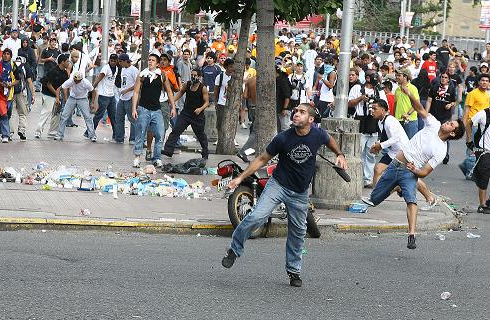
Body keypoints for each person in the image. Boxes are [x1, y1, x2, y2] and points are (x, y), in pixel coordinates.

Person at [221, 103, 348, 287]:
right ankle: (234, 250)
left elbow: (330, 140)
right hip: (278, 185)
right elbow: (262, 159)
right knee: (257, 216)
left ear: (311, 120)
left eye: (302, 112)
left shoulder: (318, 135)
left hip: (300, 192)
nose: (296, 114)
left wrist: (340, 154)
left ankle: (294, 271)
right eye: (295, 111)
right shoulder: (283, 138)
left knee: (298, 232)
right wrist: (240, 178)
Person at [363, 85, 465, 250]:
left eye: (451, 124)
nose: (447, 122)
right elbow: (419, 109)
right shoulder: (433, 124)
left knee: (411, 200)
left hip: (409, 173)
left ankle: (412, 234)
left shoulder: (441, 150)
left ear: (452, 133)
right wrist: (410, 94)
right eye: (449, 121)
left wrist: (414, 171)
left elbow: (424, 172)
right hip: (395, 164)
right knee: (374, 199)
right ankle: (395, 188)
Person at [131, 53, 176, 169]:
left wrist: (173, 107)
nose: (150, 62)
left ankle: (157, 158)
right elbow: (136, 92)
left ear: (157, 63)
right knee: (140, 134)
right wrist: (134, 109)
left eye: (153, 60)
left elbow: (170, 92)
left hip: (157, 109)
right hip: (143, 108)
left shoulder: (162, 75)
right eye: (149, 60)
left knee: (160, 134)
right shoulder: (142, 75)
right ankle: (137, 157)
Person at [161, 68, 209, 159]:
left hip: (197, 115)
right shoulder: (187, 84)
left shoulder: (203, 88)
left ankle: (205, 153)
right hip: (186, 113)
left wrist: (200, 108)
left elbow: (206, 102)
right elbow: (180, 93)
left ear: (199, 77)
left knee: (200, 135)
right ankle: (168, 150)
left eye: (195, 75)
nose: (193, 77)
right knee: (176, 130)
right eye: (192, 75)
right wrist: (172, 101)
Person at [460, 74, 490, 180]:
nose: (484, 82)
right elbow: (466, 110)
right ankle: (470, 173)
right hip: (473, 125)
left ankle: (465, 165)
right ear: (478, 82)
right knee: (472, 149)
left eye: (486, 80)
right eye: (482, 80)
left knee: (482, 150)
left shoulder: (488, 95)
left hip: (484, 127)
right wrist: (463, 126)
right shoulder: (472, 94)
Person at [425, 72, 457, 164]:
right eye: (442, 77)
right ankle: (430, 153)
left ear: (448, 79)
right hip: (434, 114)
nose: (443, 79)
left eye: (445, 77)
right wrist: (426, 114)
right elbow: (429, 100)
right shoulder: (434, 87)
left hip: (445, 116)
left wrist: (450, 104)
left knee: (445, 135)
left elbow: (454, 101)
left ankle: (445, 154)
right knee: (432, 134)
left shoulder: (451, 89)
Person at [55, 72, 95, 141]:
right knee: (64, 116)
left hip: (83, 99)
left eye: (77, 81)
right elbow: (59, 89)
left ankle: (92, 135)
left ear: (81, 79)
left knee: (88, 117)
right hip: (72, 98)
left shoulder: (86, 82)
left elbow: (93, 91)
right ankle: (59, 135)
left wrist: (92, 103)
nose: (75, 82)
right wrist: (58, 99)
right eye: (75, 80)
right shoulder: (71, 81)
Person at [466, 107, 490, 213]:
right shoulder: (484, 113)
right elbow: (468, 123)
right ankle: (482, 205)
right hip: (484, 150)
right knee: (483, 177)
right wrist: (469, 140)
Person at [0, 48, 18, 143]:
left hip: (10, 94)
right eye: (4, 54)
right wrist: (0, 83)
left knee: (8, 114)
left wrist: (11, 84)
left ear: (11, 56)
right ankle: (6, 135)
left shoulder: (14, 65)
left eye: (8, 54)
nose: (6, 55)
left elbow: (18, 80)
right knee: (4, 114)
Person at [90, 53, 118, 140]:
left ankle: (116, 134)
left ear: (117, 61)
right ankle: (90, 132)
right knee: (99, 115)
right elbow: (98, 79)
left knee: (113, 116)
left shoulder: (116, 68)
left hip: (111, 95)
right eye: (111, 60)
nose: (112, 62)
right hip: (103, 96)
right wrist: (91, 89)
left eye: (114, 61)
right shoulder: (106, 68)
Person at [114, 53, 139, 144]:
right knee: (118, 117)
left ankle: (133, 138)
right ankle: (119, 138)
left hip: (130, 96)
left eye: (120, 61)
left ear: (125, 61)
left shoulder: (134, 70)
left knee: (132, 119)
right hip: (122, 97)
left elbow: (138, 84)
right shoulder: (123, 69)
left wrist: (127, 90)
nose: (119, 63)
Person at [10, 55, 35, 141]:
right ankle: (22, 130)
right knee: (23, 113)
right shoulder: (25, 67)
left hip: (10, 92)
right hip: (21, 92)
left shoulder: (11, 65)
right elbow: (29, 81)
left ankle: (9, 132)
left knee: (11, 113)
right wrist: (33, 94)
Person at [394, 68, 419, 139]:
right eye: (396, 75)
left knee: (411, 144)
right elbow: (395, 104)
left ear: (405, 77)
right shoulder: (397, 89)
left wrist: (408, 114)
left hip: (410, 121)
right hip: (398, 121)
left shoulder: (412, 88)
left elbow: (417, 104)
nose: (397, 77)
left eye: (399, 75)